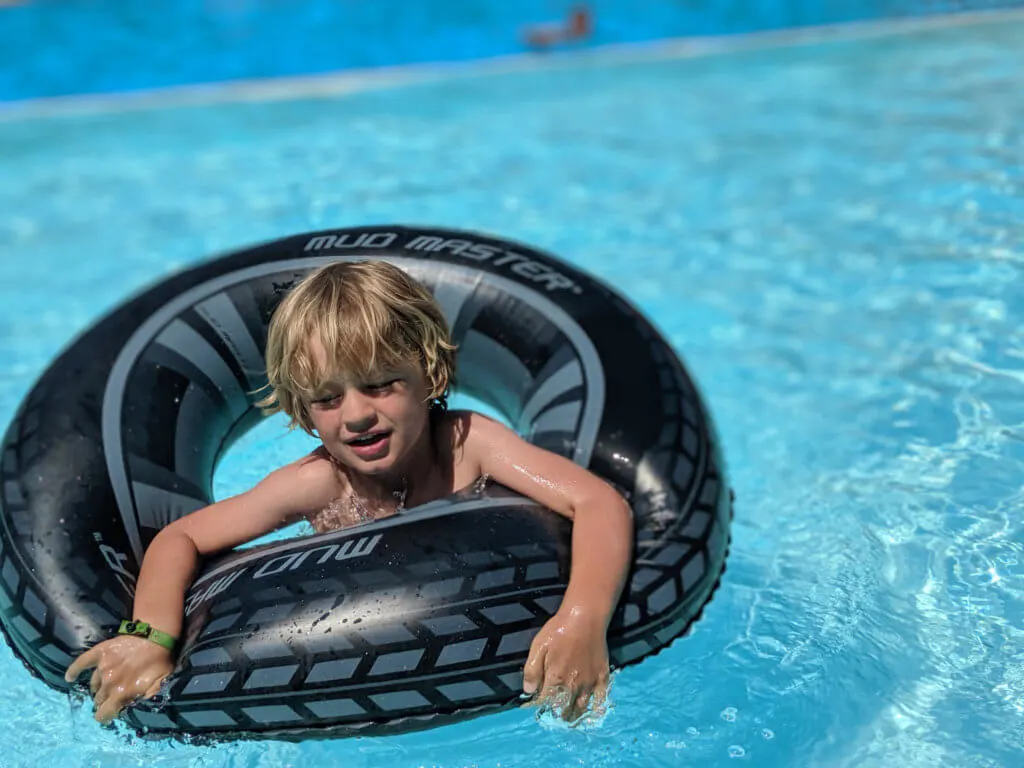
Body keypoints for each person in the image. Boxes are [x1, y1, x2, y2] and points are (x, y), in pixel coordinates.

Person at [65, 259, 634, 726]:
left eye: (382, 384)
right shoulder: (318, 484)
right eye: (328, 398)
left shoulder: (470, 444)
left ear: (430, 376)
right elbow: (181, 536)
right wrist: (150, 637)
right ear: (304, 412)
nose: (357, 415)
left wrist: (582, 617)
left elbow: (597, 502)